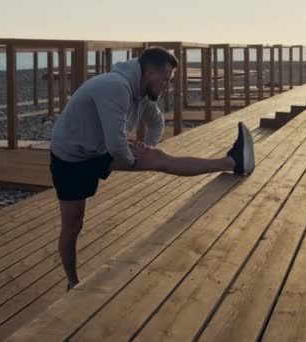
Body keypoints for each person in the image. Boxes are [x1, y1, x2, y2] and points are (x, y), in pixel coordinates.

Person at [49, 47, 255, 290]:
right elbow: (116, 145)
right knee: (74, 224)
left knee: (160, 159)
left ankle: (233, 162)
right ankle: (72, 282)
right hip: (71, 157)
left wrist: (148, 148)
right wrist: (136, 159)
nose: (168, 85)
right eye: (166, 79)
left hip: (99, 149)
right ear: (149, 73)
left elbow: (157, 122)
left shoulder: (141, 93)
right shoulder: (116, 87)